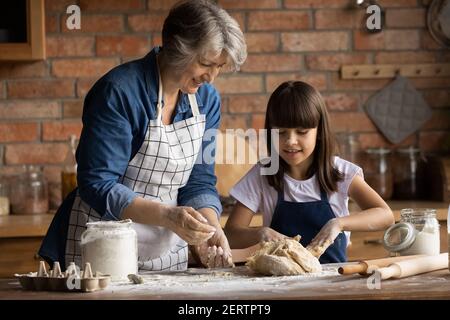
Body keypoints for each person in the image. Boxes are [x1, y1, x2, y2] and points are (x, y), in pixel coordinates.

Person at [39, 0, 247, 271]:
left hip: (167, 249)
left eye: (219, 67)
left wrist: (210, 227)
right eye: (206, 63)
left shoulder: (207, 100)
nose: (211, 77)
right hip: (103, 243)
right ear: (178, 49)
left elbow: (199, 180)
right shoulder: (120, 92)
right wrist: (168, 216)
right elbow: (97, 183)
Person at [224, 81, 394, 263]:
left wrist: (339, 223)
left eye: (302, 132)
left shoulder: (340, 172)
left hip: (332, 281)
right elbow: (230, 234)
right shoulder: (262, 174)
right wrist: (260, 233)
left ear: (319, 131)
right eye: (281, 132)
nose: (290, 141)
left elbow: (386, 216)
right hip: (279, 285)